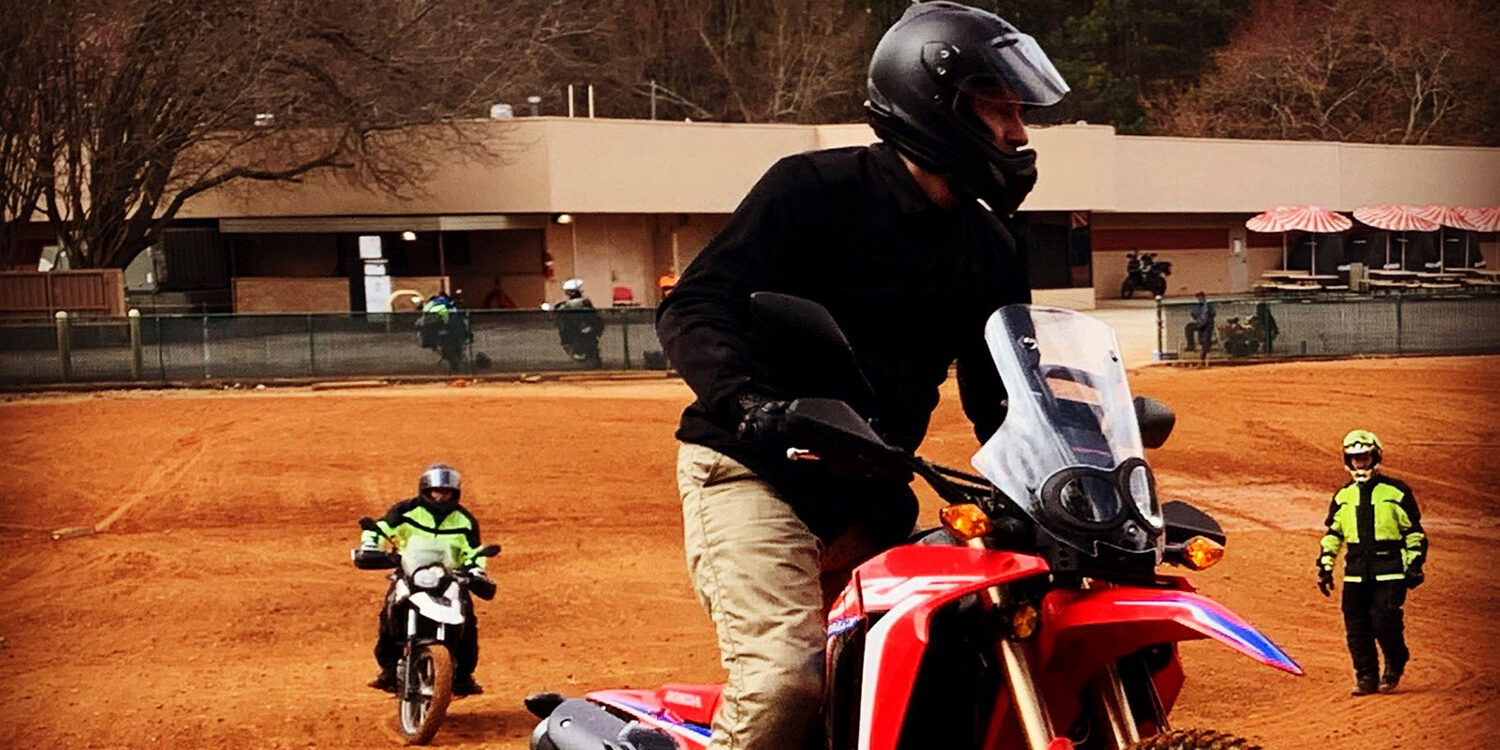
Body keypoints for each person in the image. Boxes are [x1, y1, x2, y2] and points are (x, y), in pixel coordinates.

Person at [654, 3, 1068, 748]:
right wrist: (747, 400)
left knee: (944, 665)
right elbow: (696, 305)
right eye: (999, 110)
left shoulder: (990, 244)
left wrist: (1060, 471)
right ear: (933, 106)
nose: (1018, 134)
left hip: (871, 502)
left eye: (1020, 114)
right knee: (785, 682)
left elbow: (1003, 386)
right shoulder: (811, 190)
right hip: (754, 474)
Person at [360, 463, 493, 696]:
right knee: (389, 612)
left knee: (467, 621)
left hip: (448, 577)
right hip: (412, 572)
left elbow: (473, 553)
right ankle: (388, 670)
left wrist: (476, 570)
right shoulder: (405, 510)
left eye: (447, 492)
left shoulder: (465, 521)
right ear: (425, 490)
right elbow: (380, 529)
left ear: (455, 493)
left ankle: (463, 675)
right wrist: (370, 545)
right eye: (436, 491)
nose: (441, 496)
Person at [1317, 430, 1427, 696]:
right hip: (1355, 572)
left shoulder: (1397, 491)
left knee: (1384, 621)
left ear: (1374, 457)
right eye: (1354, 458)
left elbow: (1414, 533)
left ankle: (1395, 660)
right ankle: (1366, 677)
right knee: (1356, 627)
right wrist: (1325, 566)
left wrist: (1414, 565)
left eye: (1364, 457)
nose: (1359, 463)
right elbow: (1333, 534)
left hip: (1389, 570)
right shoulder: (1343, 495)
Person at [553, 277, 604, 368]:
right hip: (578, 331)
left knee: (589, 349)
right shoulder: (579, 303)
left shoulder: (579, 304)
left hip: (582, 331)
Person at [1183, 290, 1216, 362]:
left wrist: (1206, 319)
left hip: (1207, 324)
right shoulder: (1199, 306)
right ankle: (1191, 345)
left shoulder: (1209, 305)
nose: (1199, 299)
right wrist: (1195, 316)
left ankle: (1203, 356)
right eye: (1198, 297)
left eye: (1200, 297)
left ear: (1203, 297)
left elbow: (1212, 314)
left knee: (1205, 339)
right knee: (1189, 327)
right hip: (1200, 324)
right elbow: (1195, 315)